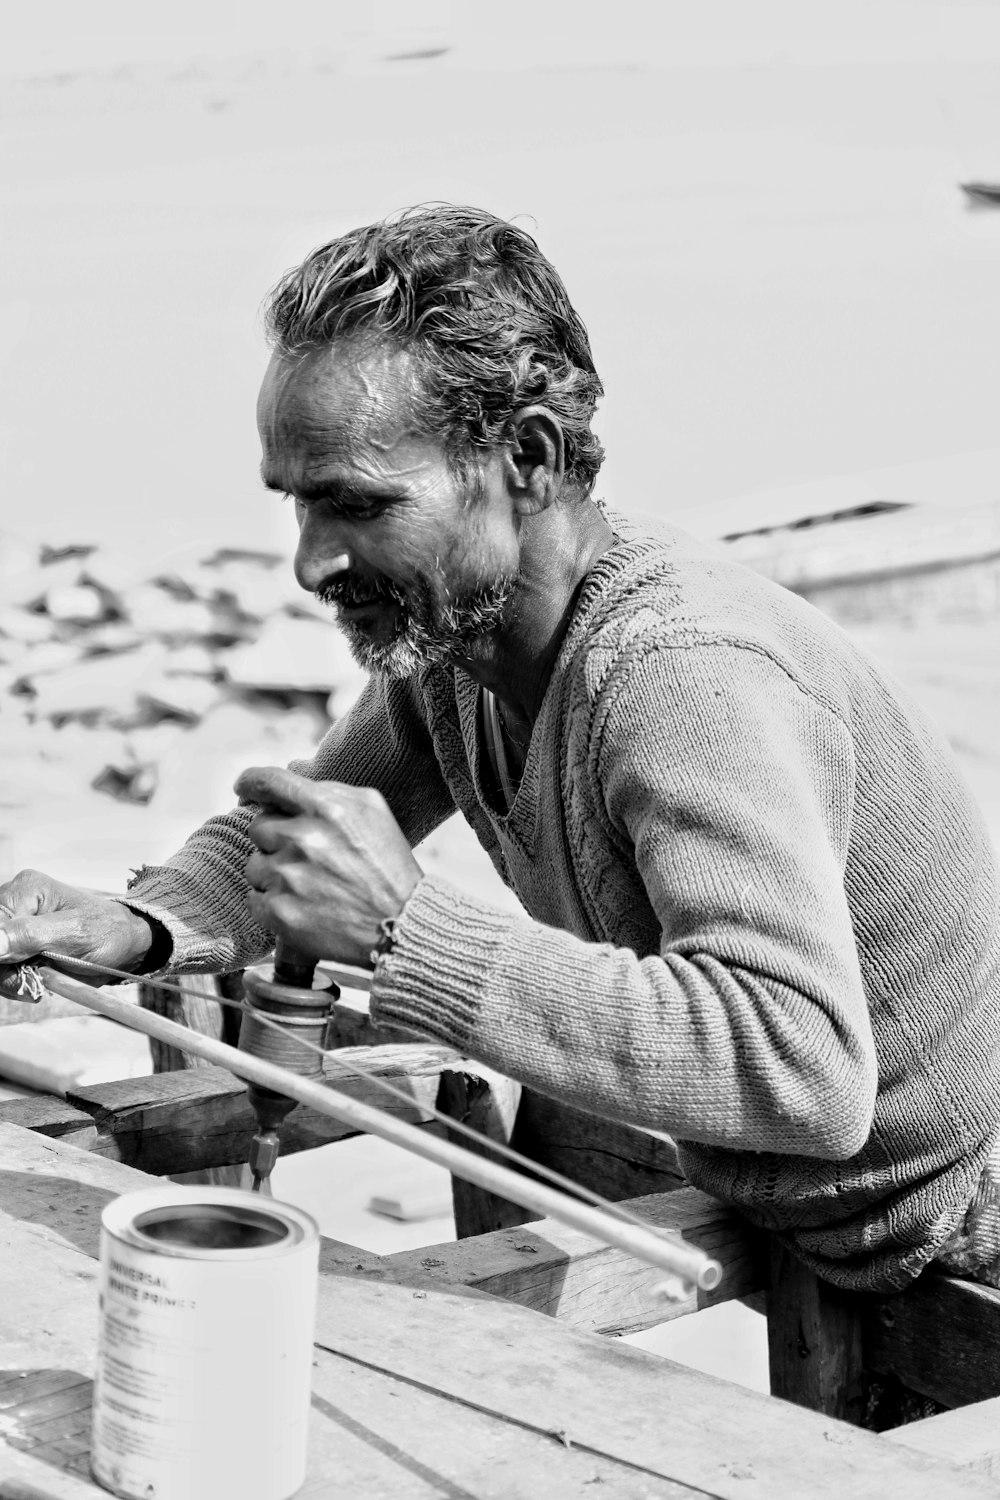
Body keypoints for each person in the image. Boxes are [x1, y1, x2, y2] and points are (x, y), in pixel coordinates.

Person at [1, 205, 998, 1296]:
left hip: (960, 1226)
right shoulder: (460, 644)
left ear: (524, 457)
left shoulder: (682, 675)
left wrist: (402, 934)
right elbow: (296, 834)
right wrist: (140, 925)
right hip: (819, 1220)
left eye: (358, 506)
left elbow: (798, 1068)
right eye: (297, 507)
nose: (310, 563)